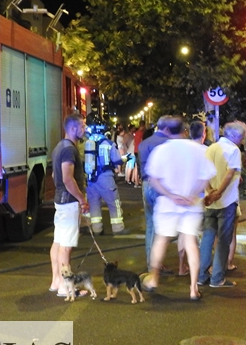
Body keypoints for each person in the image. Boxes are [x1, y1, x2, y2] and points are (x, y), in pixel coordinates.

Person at [143, 117, 216, 300]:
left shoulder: (161, 150)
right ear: (184, 130)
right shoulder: (198, 150)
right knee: (191, 242)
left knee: (162, 240)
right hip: (191, 204)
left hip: (168, 204)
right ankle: (193, 289)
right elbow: (205, 178)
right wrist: (192, 194)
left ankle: (154, 278)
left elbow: (153, 179)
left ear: (167, 131)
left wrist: (170, 195)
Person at [198, 121, 246, 288]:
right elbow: (229, 174)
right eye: (242, 137)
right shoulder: (233, 150)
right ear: (235, 136)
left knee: (207, 238)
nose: (242, 140)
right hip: (226, 201)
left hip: (209, 201)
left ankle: (202, 275)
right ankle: (217, 278)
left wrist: (209, 191)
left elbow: (202, 172)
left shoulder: (210, 148)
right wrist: (218, 193)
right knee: (223, 240)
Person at [49, 113, 89, 296]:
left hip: (60, 201)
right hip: (69, 202)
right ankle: (66, 287)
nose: (85, 129)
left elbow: (54, 176)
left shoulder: (59, 147)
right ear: (73, 128)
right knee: (66, 246)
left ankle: (56, 281)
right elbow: (67, 178)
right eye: (82, 126)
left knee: (58, 242)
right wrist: (81, 199)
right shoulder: (69, 150)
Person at [137, 116, 177, 274]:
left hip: (146, 185)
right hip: (162, 187)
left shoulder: (144, 144)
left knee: (150, 225)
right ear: (167, 129)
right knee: (162, 228)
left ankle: (150, 264)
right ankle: (157, 265)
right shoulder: (167, 144)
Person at [84, 113, 128, 236]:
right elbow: (117, 160)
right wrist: (125, 159)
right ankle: (118, 228)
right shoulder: (108, 144)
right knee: (114, 203)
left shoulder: (86, 143)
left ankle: (97, 229)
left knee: (94, 204)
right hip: (105, 178)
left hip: (91, 179)